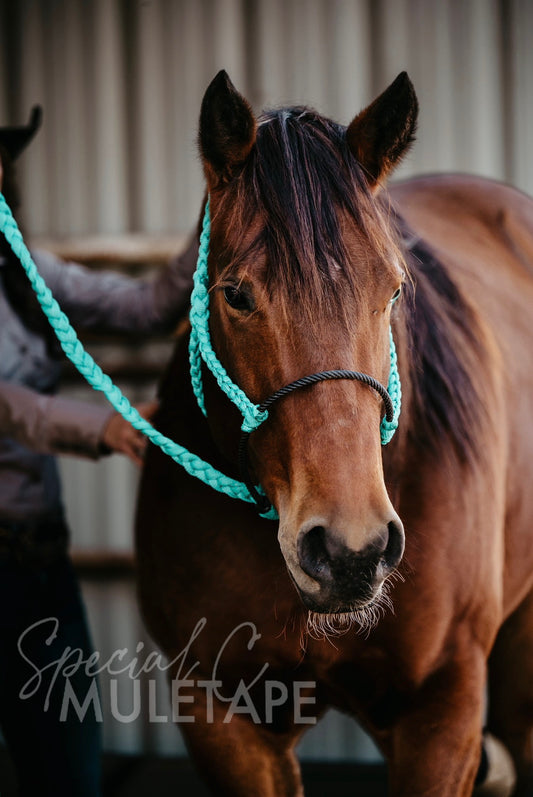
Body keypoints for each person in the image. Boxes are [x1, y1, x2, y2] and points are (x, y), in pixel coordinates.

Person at [0, 107, 197, 796]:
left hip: (34, 561)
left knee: (68, 769)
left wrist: (220, 207)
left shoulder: (21, 270)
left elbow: (144, 306)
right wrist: (104, 427)